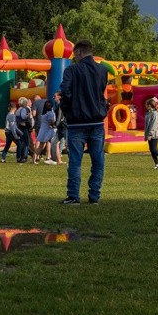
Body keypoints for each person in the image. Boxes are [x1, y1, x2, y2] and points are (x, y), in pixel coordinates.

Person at [60, 40, 109, 205]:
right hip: (97, 121)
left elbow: (65, 91)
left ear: (79, 52)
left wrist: (67, 110)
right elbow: (101, 93)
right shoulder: (102, 70)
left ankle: (73, 196)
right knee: (98, 160)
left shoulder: (72, 70)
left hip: (76, 122)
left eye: (75, 54)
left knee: (75, 160)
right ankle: (94, 195)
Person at [36, 100, 57, 164]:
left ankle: (35, 158)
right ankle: (49, 156)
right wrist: (54, 125)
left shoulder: (43, 114)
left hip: (42, 130)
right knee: (49, 143)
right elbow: (51, 122)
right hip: (47, 130)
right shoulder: (50, 113)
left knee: (41, 145)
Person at [49, 91, 67, 165]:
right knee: (56, 143)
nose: (54, 97)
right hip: (62, 126)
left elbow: (59, 116)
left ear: (59, 97)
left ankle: (56, 158)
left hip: (62, 126)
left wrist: (56, 125)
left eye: (55, 96)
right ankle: (56, 158)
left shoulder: (60, 105)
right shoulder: (58, 105)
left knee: (57, 143)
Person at [14, 97, 33, 163]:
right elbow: (23, 117)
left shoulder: (18, 109)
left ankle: (19, 157)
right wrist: (28, 116)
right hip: (23, 127)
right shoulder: (24, 109)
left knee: (21, 142)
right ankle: (24, 157)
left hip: (18, 127)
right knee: (26, 143)